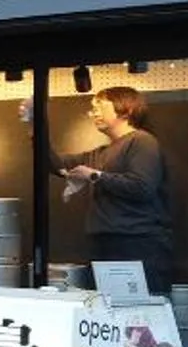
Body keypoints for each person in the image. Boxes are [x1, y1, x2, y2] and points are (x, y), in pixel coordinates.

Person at [60, 84, 174, 297]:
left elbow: (142, 186)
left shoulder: (142, 141)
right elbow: (53, 162)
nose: (93, 113)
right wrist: (33, 126)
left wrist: (94, 176)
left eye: (99, 106)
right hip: (104, 246)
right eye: (92, 108)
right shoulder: (99, 154)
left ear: (125, 109)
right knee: (106, 311)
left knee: (139, 312)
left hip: (137, 246)